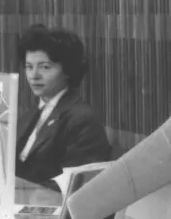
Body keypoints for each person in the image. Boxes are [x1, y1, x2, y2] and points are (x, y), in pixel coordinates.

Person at [14, 25, 112, 186]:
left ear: (67, 70)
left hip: (48, 199)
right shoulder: (29, 115)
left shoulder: (81, 120)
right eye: (29, 67)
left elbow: (74, 185)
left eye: (45, 67)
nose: (34, 75)